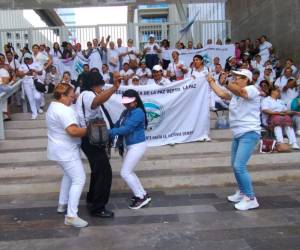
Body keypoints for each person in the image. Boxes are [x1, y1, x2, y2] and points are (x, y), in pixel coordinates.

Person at [207, 69, 261, 211]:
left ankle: (250, 198)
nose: (236, 79)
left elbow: (241, 92)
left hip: (249, 133)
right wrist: (211, 81)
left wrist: (225, 82)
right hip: (238, 134)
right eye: (235, 77)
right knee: (235, 165)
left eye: (239, 77)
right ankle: (243, 192)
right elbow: (222, 94)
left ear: (246, 79)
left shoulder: (252, 89)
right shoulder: (235, 93)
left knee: (239, 166)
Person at [76, 71, 120, 218]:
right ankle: (98, 207)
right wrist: (114, 88)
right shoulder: (88, 95)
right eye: (100, 84)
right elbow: (96, 103)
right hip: (90, 139)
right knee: (104, 172)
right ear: (94, 84)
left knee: (97, 171)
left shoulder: (86, 94)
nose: (101, 86)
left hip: (91, 139)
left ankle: (91, 199)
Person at [46, 83, 88, 228]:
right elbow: (73, 131)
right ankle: (71, 215)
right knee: (79, 179)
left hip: (58, 149)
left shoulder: (53, 106)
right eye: (71, 96)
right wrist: (91, 130)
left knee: (68, 176)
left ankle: (62, 204)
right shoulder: (63, 110)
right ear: (62, 96)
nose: (73, 99)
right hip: (66, 151)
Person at [109, 89, 151, 209]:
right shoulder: (126, 112)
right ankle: (143, 194)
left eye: (129, 102)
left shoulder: (138, 112)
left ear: (136, 101)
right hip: (131, 146)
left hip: (137, 145)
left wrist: (108, 132)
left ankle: (140, 197)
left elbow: (126, 129)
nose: (126, 104)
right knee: (129, 171)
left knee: (125, 172)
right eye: (125, 102)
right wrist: (107, 128)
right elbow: (118, 125)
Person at [18, 53, 43, 119]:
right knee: (30, 98)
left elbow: (41, 73)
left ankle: (38, 107)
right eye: (26, 59)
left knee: (37, 96)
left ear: (31, 58)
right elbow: (20, 75)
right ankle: (34, 113)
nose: (27, 60)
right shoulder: (22, 65)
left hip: (34, 80)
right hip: (26, 82)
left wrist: (35, 71)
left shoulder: (36, 64)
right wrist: (26, 73)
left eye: (28, 58)